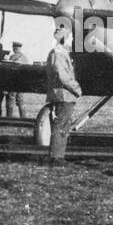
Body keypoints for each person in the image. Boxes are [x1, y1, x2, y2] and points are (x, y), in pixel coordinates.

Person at [45, 22, 82, 164]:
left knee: (62, 126)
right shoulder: (59, 53)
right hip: (64, 94)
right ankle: (56, 157)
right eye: (70, 35)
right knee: (61, 125)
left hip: (63, 94)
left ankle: (58, 156)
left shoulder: (59, 52)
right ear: (65, 37)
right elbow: (63, 76)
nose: (72, 38)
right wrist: (77, 88)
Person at [5, 40, 28, 118]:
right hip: (21, 82)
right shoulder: (24, 58)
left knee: (10, 100)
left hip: (13, 82)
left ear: (15, 48)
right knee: (21, 101)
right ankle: (23, 117)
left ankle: (9, 118)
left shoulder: (12, 57)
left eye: (14, 47)